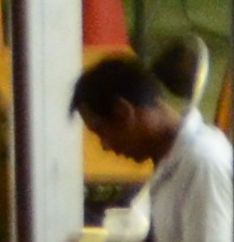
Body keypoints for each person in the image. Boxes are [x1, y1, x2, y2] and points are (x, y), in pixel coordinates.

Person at [77, 56, 231, 242]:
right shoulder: (169, 157)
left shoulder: (204, 164)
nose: (105, 146)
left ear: (123, 112)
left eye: (102, 131)